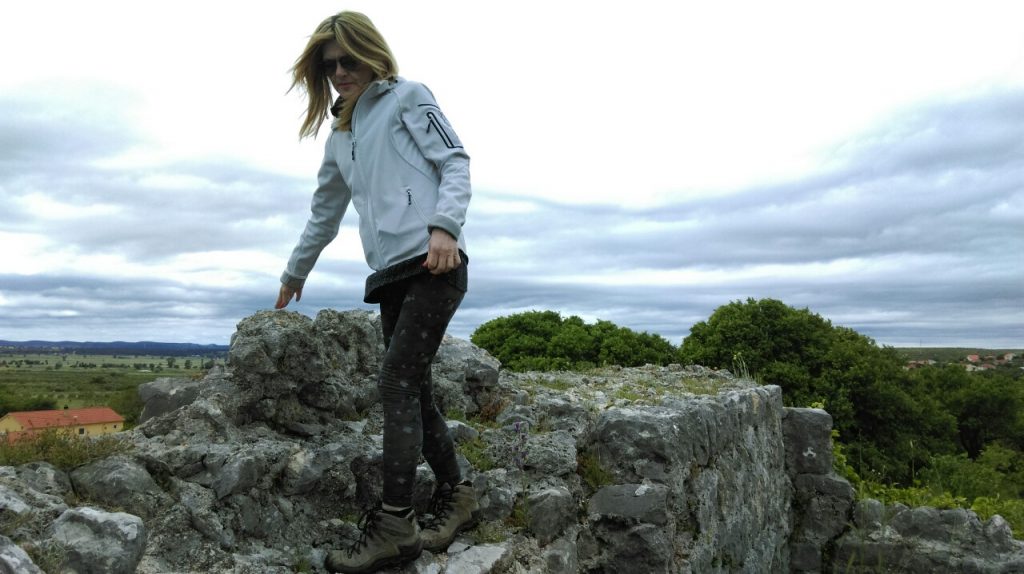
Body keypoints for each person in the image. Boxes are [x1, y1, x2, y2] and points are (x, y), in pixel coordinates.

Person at [275, 11, 479, 574]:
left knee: (395, 382)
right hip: (389, 273)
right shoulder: (339, 136)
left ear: (372, 54)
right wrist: (295, 272)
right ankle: (458, 494)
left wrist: (445, 227)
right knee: (415, 389)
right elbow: (325, 211)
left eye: (349, 60)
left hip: (435, 261)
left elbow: (455, 160)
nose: (340, 72)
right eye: (329, 66)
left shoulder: (408, 97)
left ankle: (395, 526)